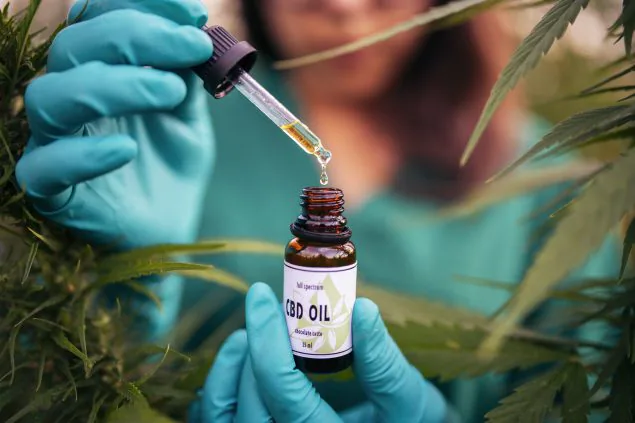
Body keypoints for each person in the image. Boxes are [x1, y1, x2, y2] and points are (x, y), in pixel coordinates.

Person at [12, 0, 619, 422]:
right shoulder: (166, 127)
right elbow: (32, 383)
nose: (349, 10)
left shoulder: (551, 180)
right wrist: (113, 290)